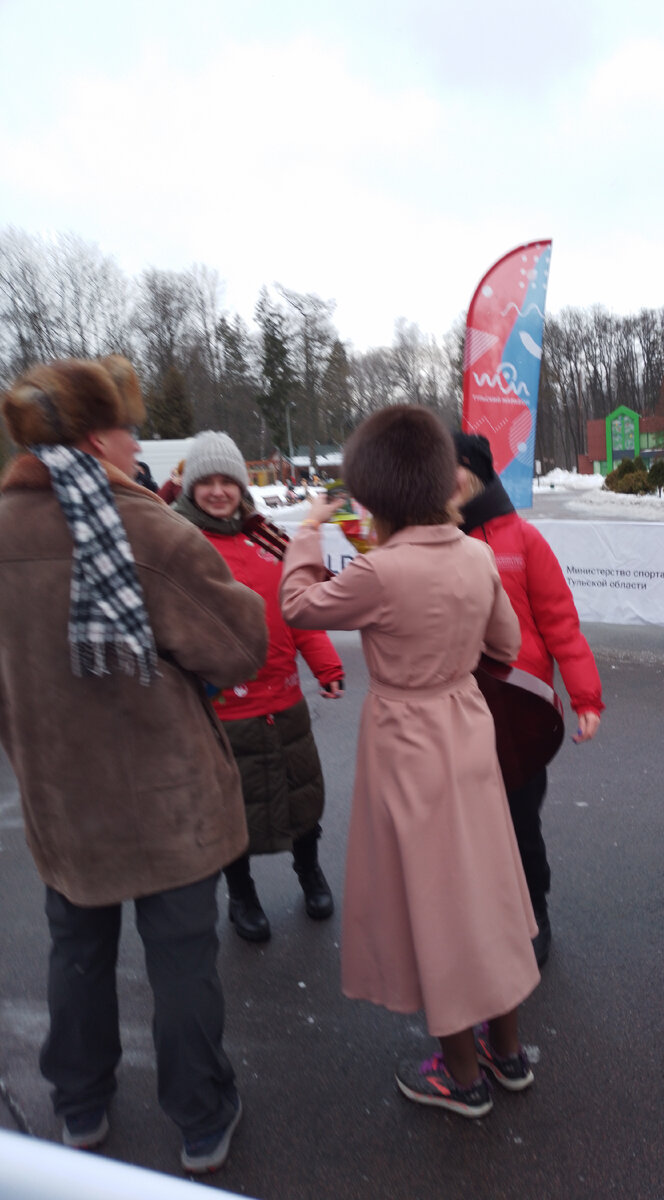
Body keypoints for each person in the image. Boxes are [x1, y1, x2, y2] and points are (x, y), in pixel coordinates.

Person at [0, 358, 268, 1173]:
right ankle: (200, 1119)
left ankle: (79, 1107)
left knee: (76, 952)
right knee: (183, 962)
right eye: (125, 426)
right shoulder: (147, 529)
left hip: (61, 795)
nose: (137, 439)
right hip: (168, 798)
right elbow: (237, 644)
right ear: (92, 437)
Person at [280, 406, 540, 1119]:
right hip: (466, 728)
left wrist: (307, 533)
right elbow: (507, 646)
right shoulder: (477, 553)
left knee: (435, 904)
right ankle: (508, 1053)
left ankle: (460, 1075)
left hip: (405, 739)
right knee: (487, 889)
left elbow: (298, 606)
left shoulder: (380, 571)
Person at [174, 431, 344, 941]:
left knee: (302, 796)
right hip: (220, 706)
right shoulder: (178, 542)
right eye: (208, 482)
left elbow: (301, 607)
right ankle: (242, 896)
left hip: (284, 696)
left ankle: (309, 873)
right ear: (191, 487)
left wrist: (326, 666)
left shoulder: (269, 536)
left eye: (229, 481)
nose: (219, 491)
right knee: (234, 809)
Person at [452, 432, 603, 966]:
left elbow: (562, 624)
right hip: (450, 715)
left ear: (476, 471)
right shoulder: (421, 542)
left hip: (518, 710)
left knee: (519, 822)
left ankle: (532, 909)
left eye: (455, 468)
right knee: (462, 828)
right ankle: (478, 913)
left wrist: (586, 697)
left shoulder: (522, 540)